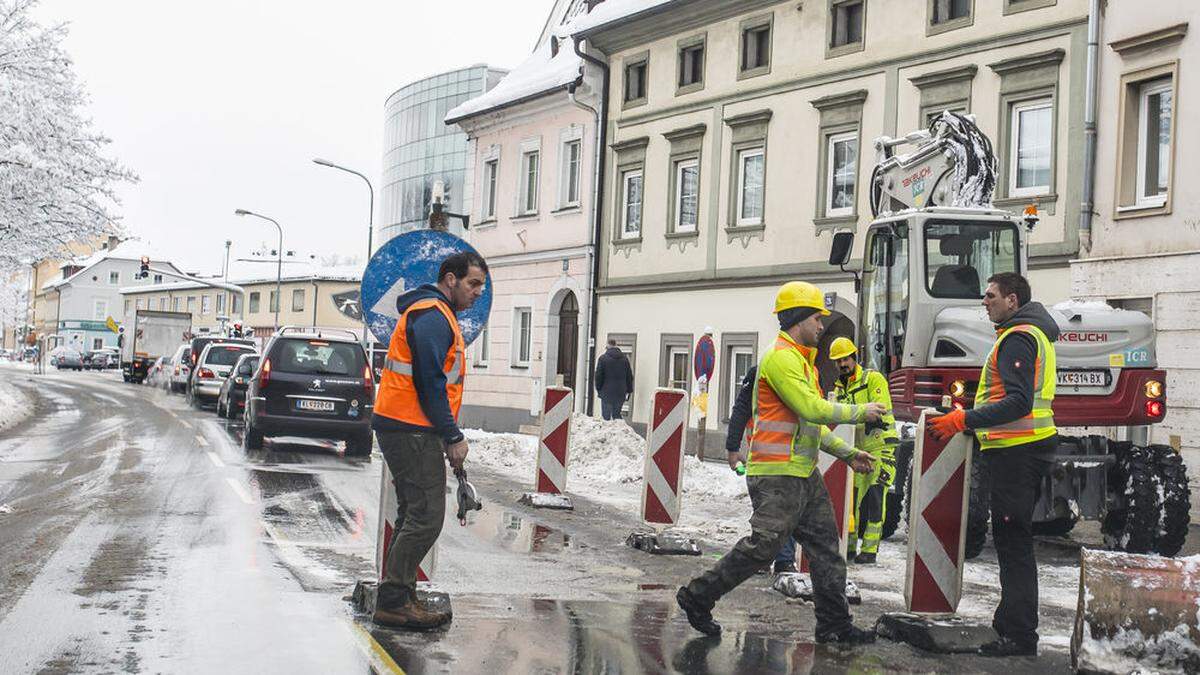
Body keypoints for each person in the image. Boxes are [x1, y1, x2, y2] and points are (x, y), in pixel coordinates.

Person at [677, 281, 885, 644]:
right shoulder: (781, 359)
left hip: (802, 473)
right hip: (775, 475)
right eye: (817, 319)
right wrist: (861, 412)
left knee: (825, 548)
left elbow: (811, 425)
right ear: (800, 319)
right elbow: (813, 409)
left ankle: (834, 624)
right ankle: (698, 596)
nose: (822, 326)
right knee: (763, 548)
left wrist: (849, 454)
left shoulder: (804, 364)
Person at [929, 272, 1058, 657]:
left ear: (1012, 301)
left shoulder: (1019, 338)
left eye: (991, 296)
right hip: (1024, 450)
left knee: (1014, 542)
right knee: (1012, 541)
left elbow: (1018, 403)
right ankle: (1013, 628)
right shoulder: (1030, 334)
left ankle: (1018, 636)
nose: (985, 302)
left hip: (1018, 453)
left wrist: (962, 419)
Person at [370, 251, 488, 630]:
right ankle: (393, 601)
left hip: (406, 423)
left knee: (412, 513)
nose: (477, 293)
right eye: (473, 284)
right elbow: (430, 381)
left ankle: (399, 595)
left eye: (482, 286)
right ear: (450, 279)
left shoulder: (434, 314)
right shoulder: (433, 317)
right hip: (409, 426)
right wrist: (451, 435)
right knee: (426, 517)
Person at [828, 336, 897, 565]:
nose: (842, 364)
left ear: (854, 357)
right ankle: (848, 546)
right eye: (837, 361)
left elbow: (878, 412)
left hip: (881, 446)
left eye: (845, 359)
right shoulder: (839, 390)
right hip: (856, 450)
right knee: (852, 499)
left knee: (875, 497)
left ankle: (869, 550)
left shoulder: (873, 379)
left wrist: (851, 418)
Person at [726, 364, 799, 575]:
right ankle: (776, 559)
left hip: (786, 458)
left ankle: (775, 559)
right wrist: (732, 447)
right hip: (764, 457)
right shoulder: (761, 372)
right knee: (772, 510)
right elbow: (741, 410)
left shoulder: (803, 369)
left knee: (780, 509)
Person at [594, 338, 633, 421]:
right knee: (617, 415)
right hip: (620, 392)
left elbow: (598, 376)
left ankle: (606, 433)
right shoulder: (625, 359)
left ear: (608, 346)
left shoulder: (603, 359)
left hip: (606, 392)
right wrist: (629, 390)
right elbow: (629, 376)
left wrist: (598, 389)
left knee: (606, 417)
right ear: (616, 346)